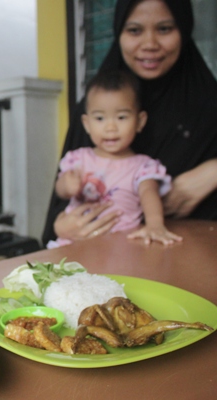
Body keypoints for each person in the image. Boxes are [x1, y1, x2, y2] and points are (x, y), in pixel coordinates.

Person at [42, 0, 217, 246]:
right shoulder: (95, 106)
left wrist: (213, 172)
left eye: (165, 29)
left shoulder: (208, 103)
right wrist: (62, 224)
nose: (150, 44)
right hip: (100, 255)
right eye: (134, 30)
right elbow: (62, 199)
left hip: (190, 255)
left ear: (184, 30)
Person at [49, 69, 182, 248]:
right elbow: (60, 190)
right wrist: (66, 185)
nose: (111, 127)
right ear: (86, 124)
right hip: (76, 244)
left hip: (122, 248)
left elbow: (149, 195)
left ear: (140, 121)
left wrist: (155, 225)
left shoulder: (143, 166)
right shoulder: (78, 159)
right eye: (100, 118)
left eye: (121, 117)